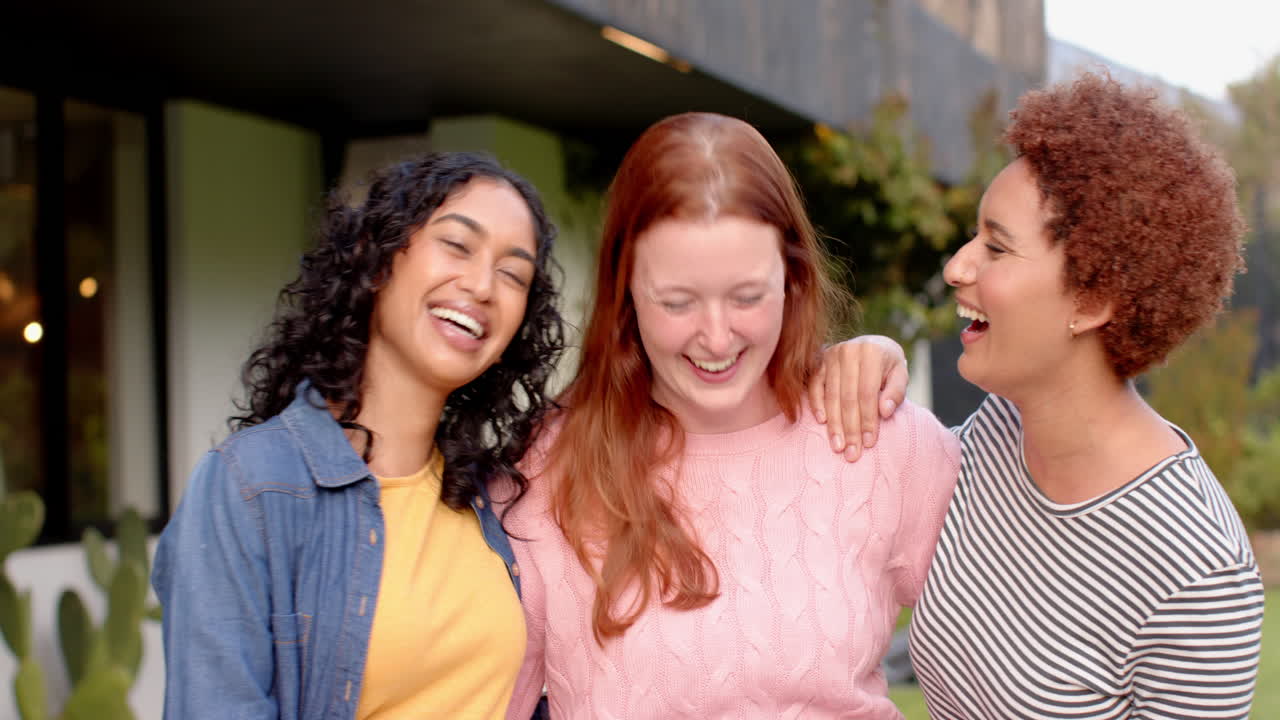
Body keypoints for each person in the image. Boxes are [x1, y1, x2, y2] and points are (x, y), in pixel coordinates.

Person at [816, 73, 1263, 717]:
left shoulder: (1196, 565)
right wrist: (872, 357)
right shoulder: (993, 434)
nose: (956, 266)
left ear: (1093, 299)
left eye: (996, 246)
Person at [500, 112, 960, 719]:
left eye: (747, 297)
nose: (716, 339)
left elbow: (1016, 667)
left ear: (792, 279)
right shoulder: (541, 469)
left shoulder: (881, 437)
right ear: (625, 290)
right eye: (677, 301)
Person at [151, 152, 565, 719]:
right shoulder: (252, 488)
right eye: (457, 245)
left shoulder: (492, 499)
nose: (482, 285)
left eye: (513, 274)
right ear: (376, 259)